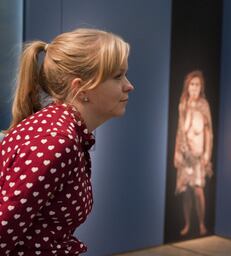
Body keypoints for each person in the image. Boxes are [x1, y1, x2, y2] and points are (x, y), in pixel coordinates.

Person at [0, 28, 134, 255]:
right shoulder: (57, 141)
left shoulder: (63, 131)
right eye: (117, 76)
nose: (129, 86)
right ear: (81, 88)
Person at [174, 70, 213, 236]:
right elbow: (179, 130)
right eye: (192, 84)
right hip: (185, 153)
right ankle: (188, 224)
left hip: (198, 154)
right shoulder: (183, 104)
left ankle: (202, 223)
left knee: (198, 190)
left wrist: (207, 154)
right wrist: (176, 152)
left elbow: (209, 132)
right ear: (188, 86)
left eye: (197, 85)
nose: (194, 87)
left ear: (200, 87)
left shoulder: (204, 105)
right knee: (186, 191)